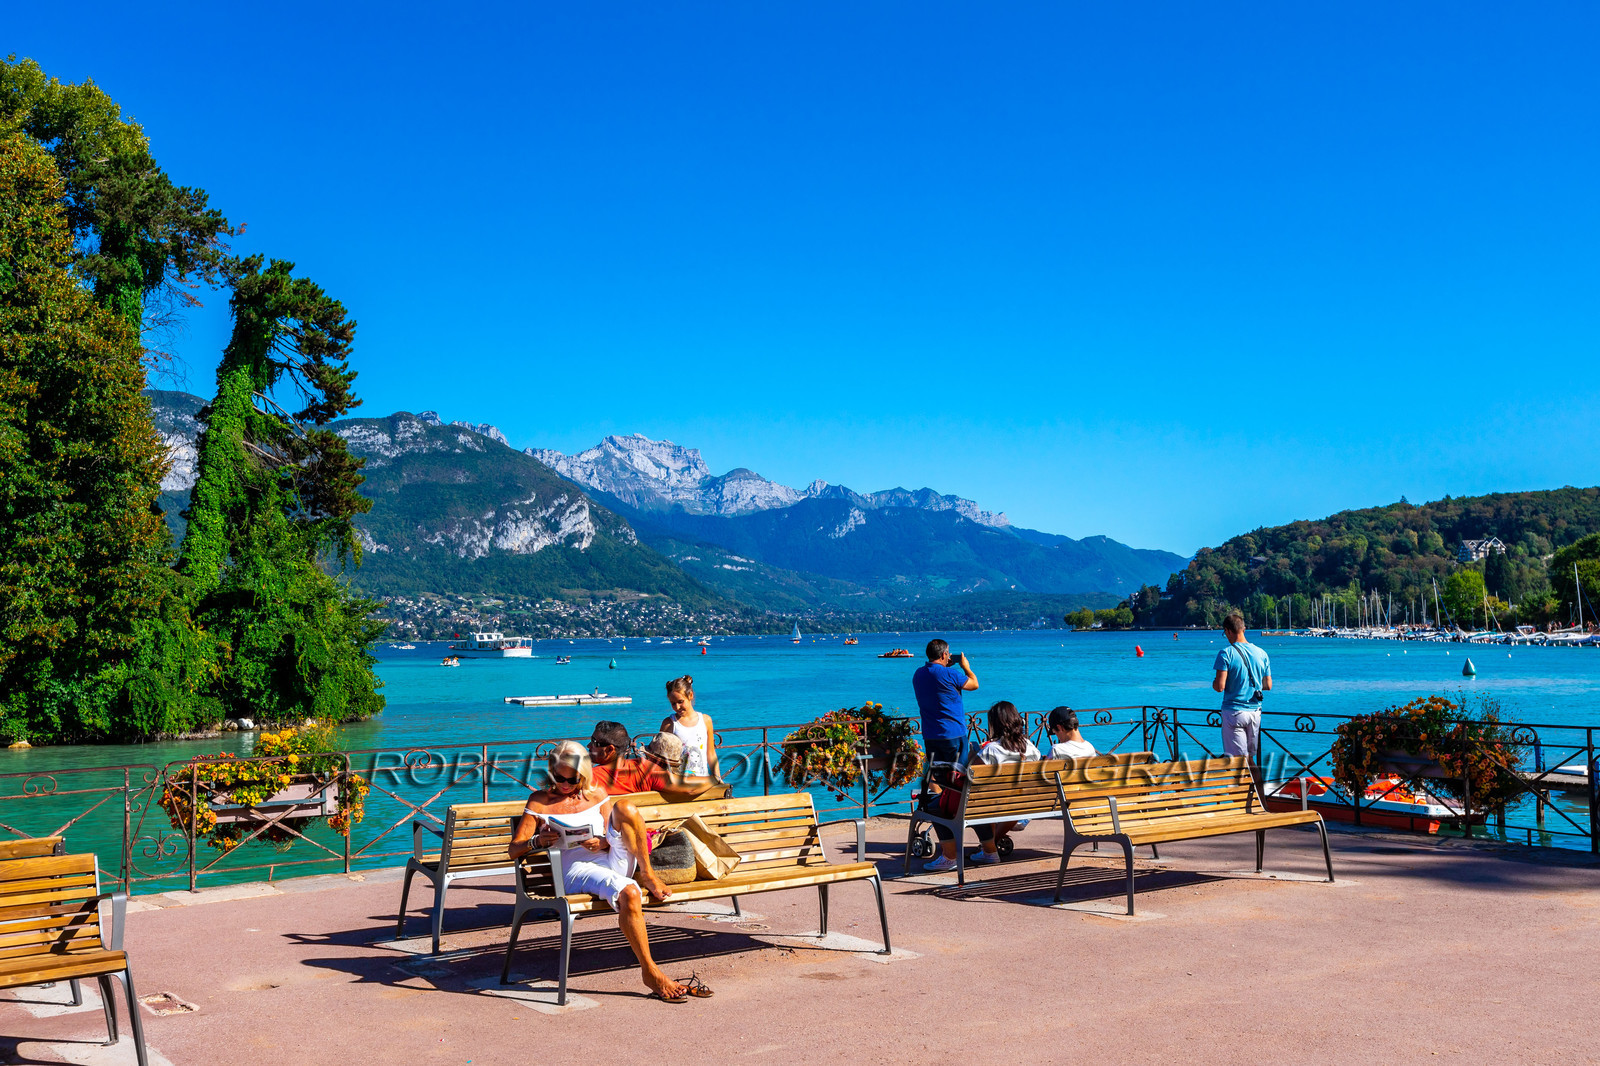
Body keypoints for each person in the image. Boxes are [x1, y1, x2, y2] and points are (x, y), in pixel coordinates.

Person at [508, 742, 704, 1003]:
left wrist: (602, 842)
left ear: (584, 774)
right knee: (630, 893)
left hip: (609, 857)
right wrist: (538, 841)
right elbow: (513, 850)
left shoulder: (597, 794)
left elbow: (612, 833)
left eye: (572, 779)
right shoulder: (540, 801)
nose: (565, 784)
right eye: (559, 777)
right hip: (575, 868)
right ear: (551, 771)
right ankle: (651, 972)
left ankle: (647, 873)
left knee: (627, 808)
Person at [911, 639, 980, 873]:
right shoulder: (950, 675)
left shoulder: (918, 674)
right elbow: (974, 684)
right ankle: (972, 847)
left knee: (940, 784)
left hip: (931, 736)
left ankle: (948, 841)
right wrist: (965, 665)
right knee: (959, 788)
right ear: (945, 654)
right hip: (954, 736)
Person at [964, 701, 1041, 864]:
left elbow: (971, 776)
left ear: (995, 724)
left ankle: (987, 847)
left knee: (981, 799)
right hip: (1029, 808)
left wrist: (971, 756)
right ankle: (990, 843)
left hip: (1000, 809)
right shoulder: (1031, 748)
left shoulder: (991, 750)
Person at [1212, 612, 1271, 761]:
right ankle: (1257, 785)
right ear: (1243, 629)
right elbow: (1268, 685)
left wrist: (1215, 682)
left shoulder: (1226, 654)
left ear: (1228, 631)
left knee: (1236, 761)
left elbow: (1219, 687)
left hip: (1234, 712)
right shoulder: (1262, 653)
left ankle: (1240, 784)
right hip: (1255, 712)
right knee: (1250, 760)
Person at [660, 675, 717, 778]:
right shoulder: (669, 723)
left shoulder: (706, 720)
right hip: (678, 783)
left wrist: (717, 778)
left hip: (702, 780)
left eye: (680, 702)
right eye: (673, 703)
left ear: (690, 695)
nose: (677, 707)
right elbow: (660, 756)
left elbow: (711, 754)